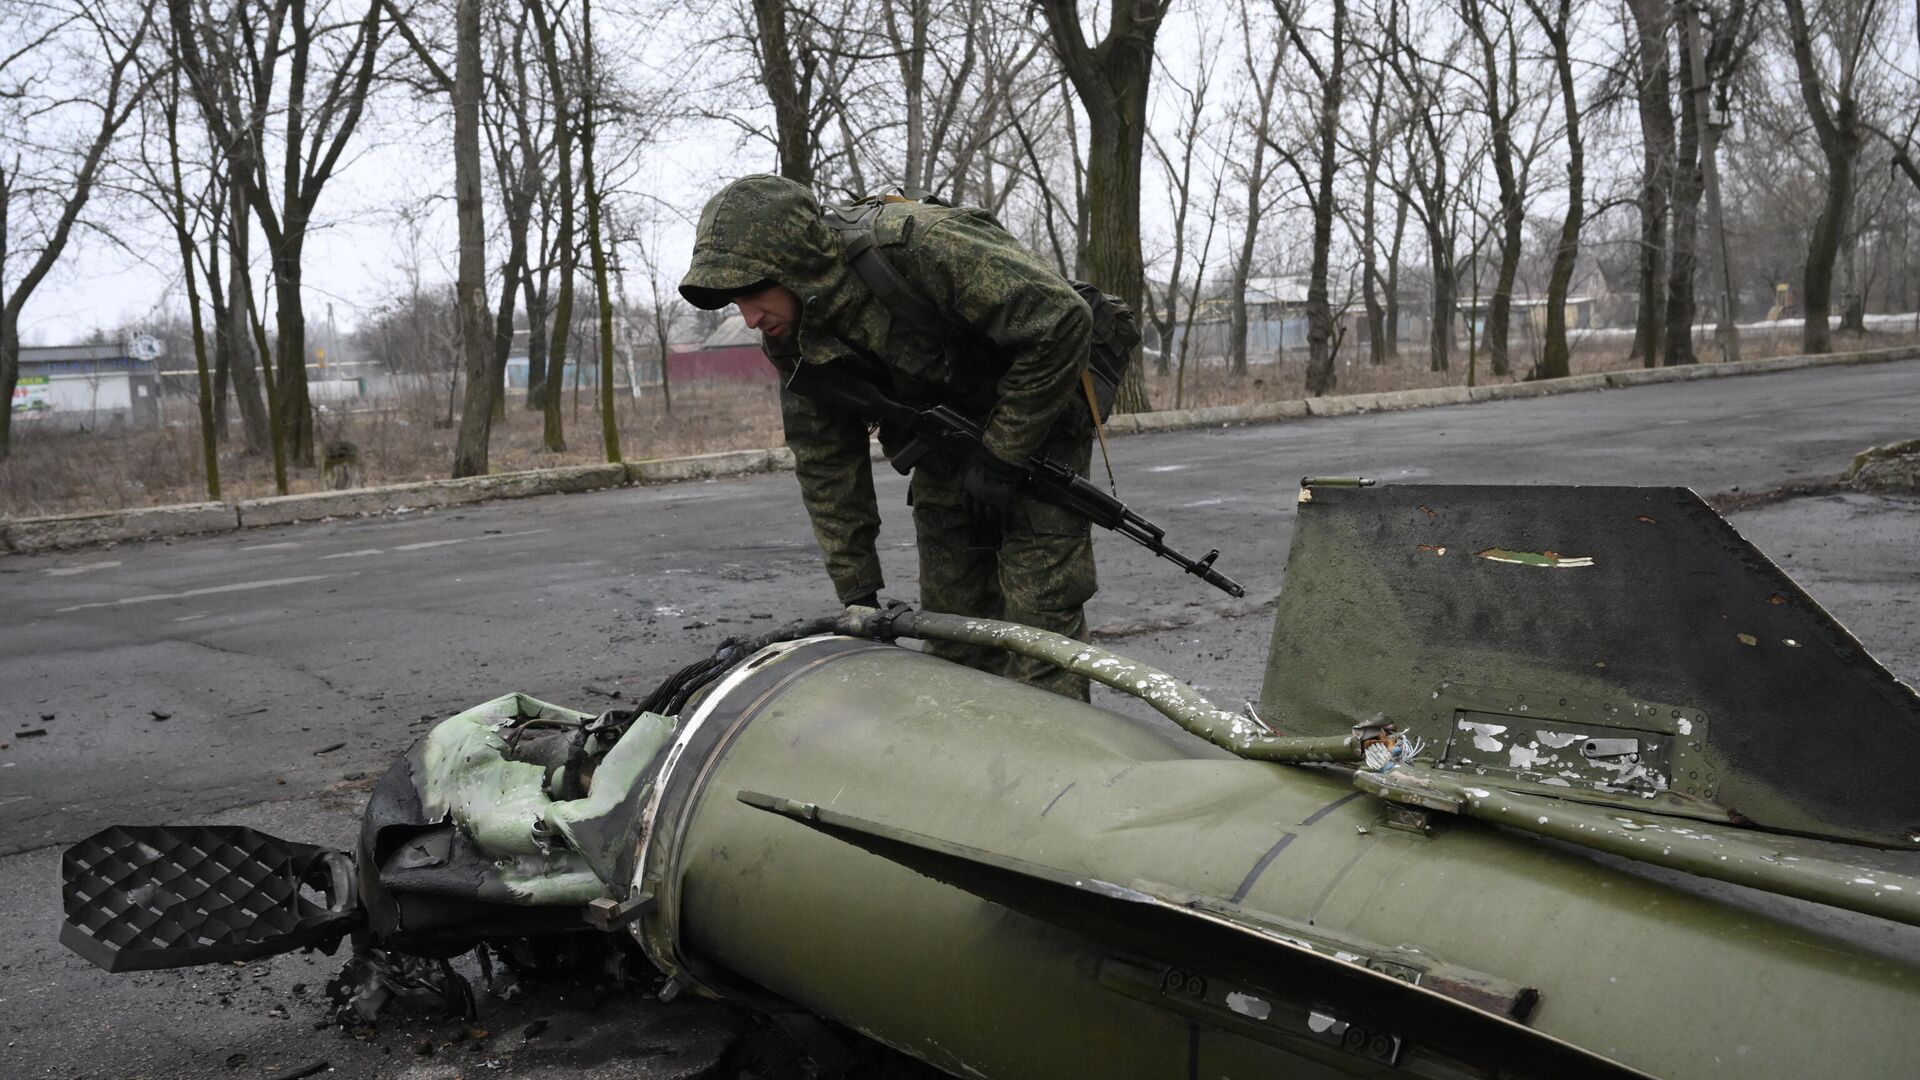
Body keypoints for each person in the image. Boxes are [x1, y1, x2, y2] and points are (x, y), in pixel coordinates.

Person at [679, 174, 1099, 700]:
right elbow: (826, 460)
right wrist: (858, 591)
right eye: (735, 301)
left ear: (797, 264)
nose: (749, 317)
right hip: (946, 447)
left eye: (756, 292)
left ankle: (1065, 770)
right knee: (957, 637)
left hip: (1037, 430)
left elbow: (1060, 319)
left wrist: (1004, 453)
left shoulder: (920, 244)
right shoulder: (792, 335)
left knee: (1042, 635)